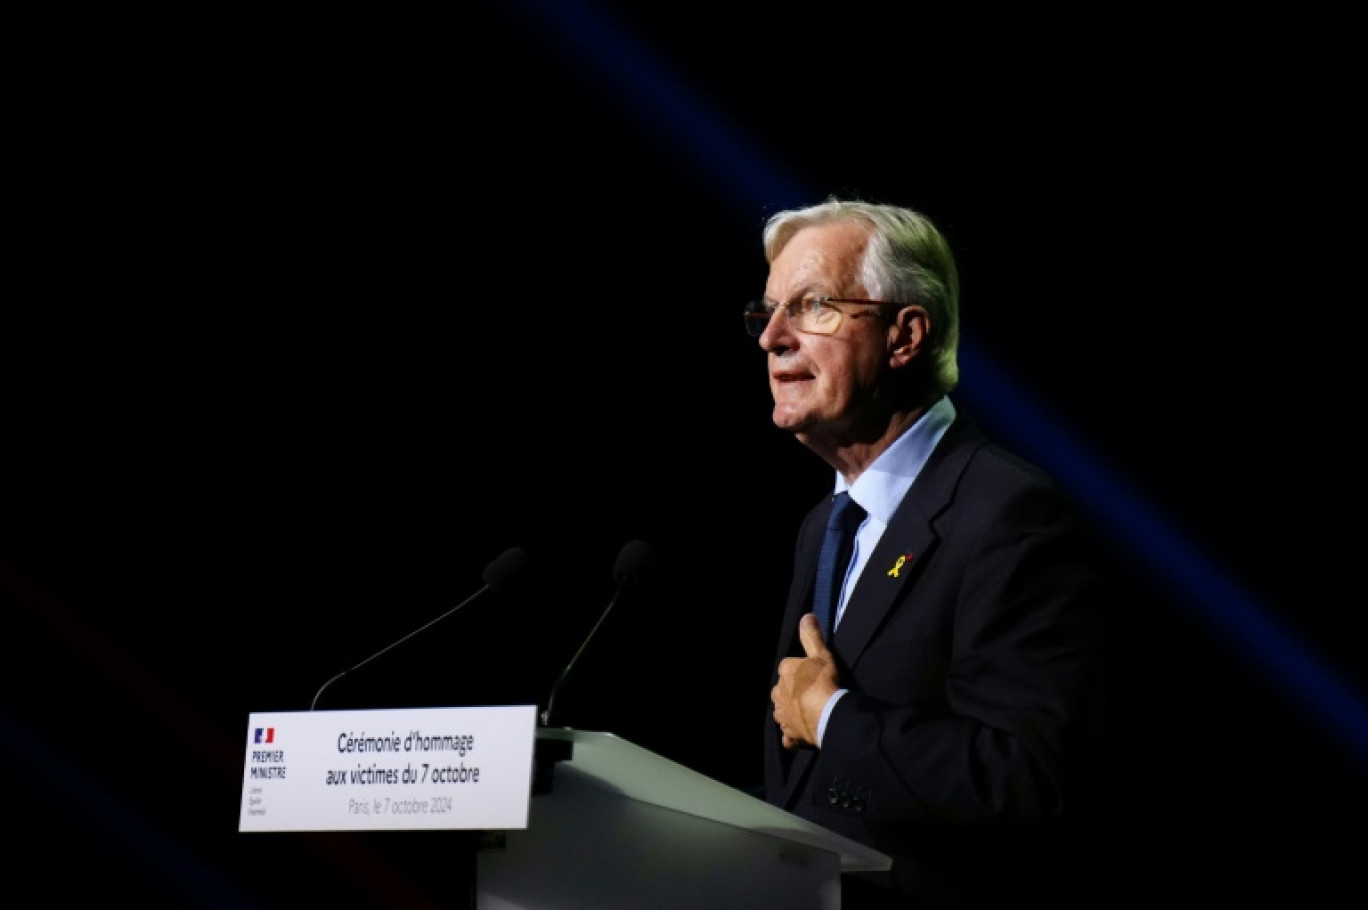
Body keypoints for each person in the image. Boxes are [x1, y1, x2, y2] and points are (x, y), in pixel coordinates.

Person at [754, 198, 1113, 909]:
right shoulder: (820, 525)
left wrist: (831, 717)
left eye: (812, 305)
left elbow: (1025, 779)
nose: (771, 337)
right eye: (765, 312)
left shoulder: (1008, 514)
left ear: (905, 335)